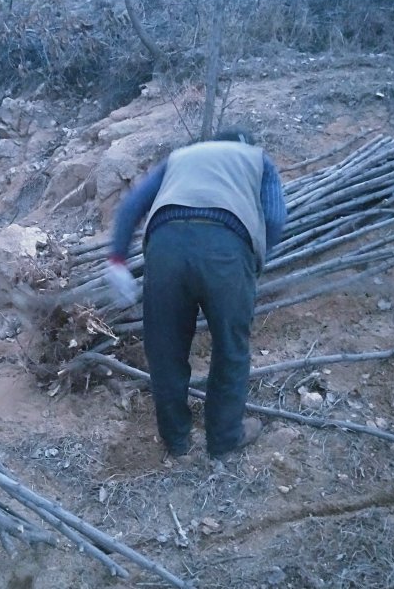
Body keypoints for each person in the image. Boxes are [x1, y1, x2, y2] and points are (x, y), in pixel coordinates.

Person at [105, 127, 286, 467]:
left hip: (165, 246)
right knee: (231, 348)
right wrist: (255, 260)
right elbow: (275, 215)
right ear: (242, 144)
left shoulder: (178, 159)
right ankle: (224, 438)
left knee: (165, 349)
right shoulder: (256, 158)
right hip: (226, 249)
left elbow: (132, 205)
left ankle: (177, 442)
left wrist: (117, 258)